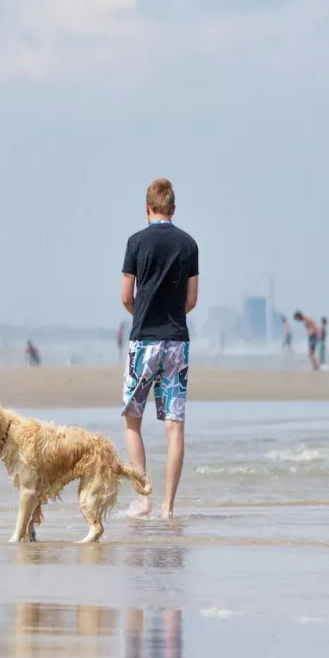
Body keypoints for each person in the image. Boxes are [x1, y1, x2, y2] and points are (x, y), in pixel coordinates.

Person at [121, 177, 199, 519]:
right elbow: (191, 299)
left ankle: (143, 500)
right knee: (174, 426)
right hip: (177, 342)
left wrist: (142, 315)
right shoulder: (189, 244)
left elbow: (126, 295)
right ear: (173, 208)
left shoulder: (136, 242)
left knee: (133, 420)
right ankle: (168, 507)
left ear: (147, 207)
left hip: (144, 341)